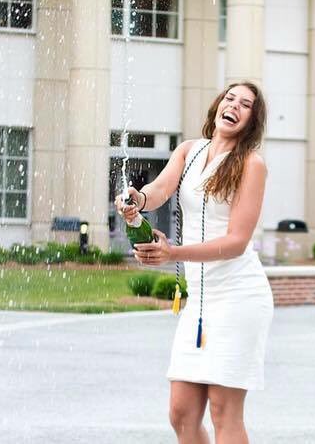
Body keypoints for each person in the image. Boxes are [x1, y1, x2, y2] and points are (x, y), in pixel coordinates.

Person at [114, 81, 273, 444]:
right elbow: (159, 190)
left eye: (245, 104)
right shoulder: (189, 150)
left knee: (223, 412)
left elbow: (236, 242)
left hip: (238, 297)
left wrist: (173, 253)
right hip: (200, 301)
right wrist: (137, 199)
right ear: (218, 105)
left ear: (252, 120)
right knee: (181, 413)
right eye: (230, 98)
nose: (234, 106)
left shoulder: (251, 164)